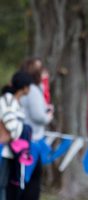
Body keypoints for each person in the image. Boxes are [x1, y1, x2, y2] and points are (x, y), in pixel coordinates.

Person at [7, 58, 53, 200]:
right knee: (30, 182)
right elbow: (38, 115)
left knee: (23, 180)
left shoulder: (29, 89)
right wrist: (49, 116)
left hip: (23, 141)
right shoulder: (32, 90)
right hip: (31, 142)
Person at [0, 71, 32, 200]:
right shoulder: (7, 100)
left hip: (10, 152)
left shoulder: (15, 102)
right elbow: (11, 125)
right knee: (1, 185)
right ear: (24, 87)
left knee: (5, 185)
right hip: (3, 151)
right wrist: (24, 129)